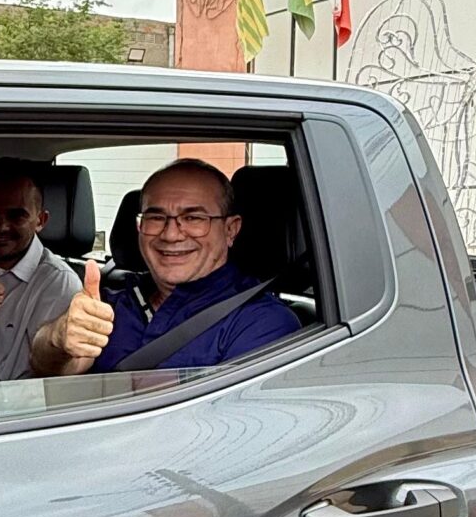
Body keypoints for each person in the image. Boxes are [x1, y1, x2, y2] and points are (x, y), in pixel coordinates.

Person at [30, 159, 300, 378]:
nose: (170, 234)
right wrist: (57, 339)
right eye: (156, 217)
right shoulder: (110, 302)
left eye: (193, 218)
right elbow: (46, 367)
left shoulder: (262, 322)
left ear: (230, 230)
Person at [0, 168, 81, 384]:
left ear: (40, 220)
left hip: (14, 404)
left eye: (16, 215)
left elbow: (50, 367)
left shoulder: (59, 282)